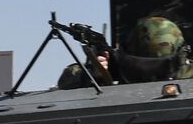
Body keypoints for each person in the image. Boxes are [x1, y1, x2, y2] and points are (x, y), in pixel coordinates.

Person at [59, 16, 193, 88]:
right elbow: (65, 81)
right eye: (141, 66)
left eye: (158, 67)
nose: (149, 74)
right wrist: (92, 74)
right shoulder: (123, 68)